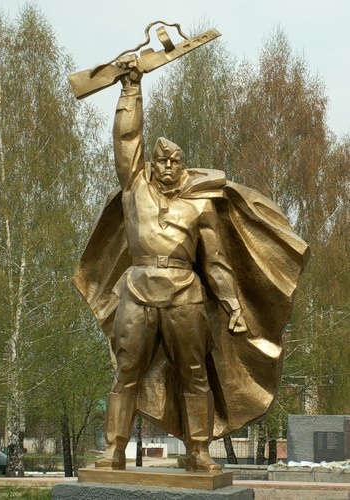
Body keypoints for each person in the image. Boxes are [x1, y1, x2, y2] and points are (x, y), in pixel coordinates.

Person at [73, 55, 310, 473]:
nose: (165, 166)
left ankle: (198, 451)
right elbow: (127, 142)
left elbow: (216, 264)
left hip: (186, 294)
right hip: (139, 289)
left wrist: (234, 307)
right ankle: (114, 451)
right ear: (152, 164)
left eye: (173, 161)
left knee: (195, 376)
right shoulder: (134, 189)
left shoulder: (200, 206)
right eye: (160, 160)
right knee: (126, 374)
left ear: (183, 166)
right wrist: (131, 89)